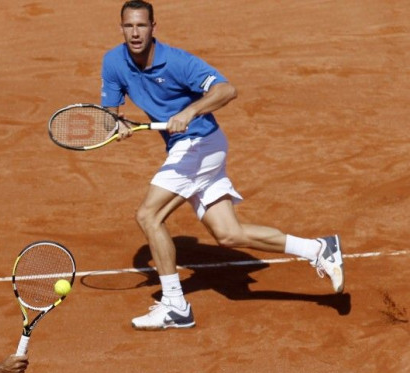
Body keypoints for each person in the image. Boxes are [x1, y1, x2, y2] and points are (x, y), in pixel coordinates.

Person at [101, 0, 344, 330]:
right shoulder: (113, 62)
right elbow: (110, 117)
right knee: (229, 234)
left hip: (200, 142)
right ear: (121, 29)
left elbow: (227, 89)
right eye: (129, 26)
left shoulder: (178, 62)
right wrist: (118, 126)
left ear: (153, 28)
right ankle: (318, 249)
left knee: (148, 214)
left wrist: (190, 111)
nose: (135, 33)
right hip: (191, 149)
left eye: (141, 26)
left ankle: (175, 304)